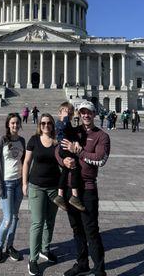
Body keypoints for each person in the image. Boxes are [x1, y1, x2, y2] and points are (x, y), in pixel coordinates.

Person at [56, 100, 110, 276]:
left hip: (87, 189)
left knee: (91, 230)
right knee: (76, 229)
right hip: (71, 187)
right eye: (83, 112)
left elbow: (100, 160)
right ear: (79, 114)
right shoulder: (74, 131)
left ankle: (100, 269)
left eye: (89, 112)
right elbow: (58, 149)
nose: (86, 115)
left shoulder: (101, 136)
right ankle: (82, 263)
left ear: (94, 114)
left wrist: (78, 152)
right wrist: (63, 160)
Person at [23, 113, 60, 276]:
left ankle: (45, 249)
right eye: (43, 123)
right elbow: (26, 162)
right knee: (37, 222)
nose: (46, 125)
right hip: (36, 186)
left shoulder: (58, 142)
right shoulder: (34, 139)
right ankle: (33, 258)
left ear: (52, 125)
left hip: (54, 187)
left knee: (50, 221)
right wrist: (24, 183)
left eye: (49, 123)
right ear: (40, 125)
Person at [0, 113, 26, 263]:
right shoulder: (2, 140)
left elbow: (25, 163)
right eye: (12, 123)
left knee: (15, 218)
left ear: (20, 124)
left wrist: (26, 182)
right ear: (8, 124)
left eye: (17, 123)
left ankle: (10, 246)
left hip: (18, 183)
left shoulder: (22, 141)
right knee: (7, 220)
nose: (15, 125)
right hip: (6, 184)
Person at [53, 102, 85, 212]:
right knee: (74, 167)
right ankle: (75, 196)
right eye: (66, 112)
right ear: (59, 113)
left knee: (65, 172)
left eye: (70, 114)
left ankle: (60, 195)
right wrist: (66, 117)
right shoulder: (59, 123)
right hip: (64, 149)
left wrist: (76, 142)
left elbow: (72, 134)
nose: (68, 115)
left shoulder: (68, 124)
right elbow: (64, 127)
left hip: (67, 149)